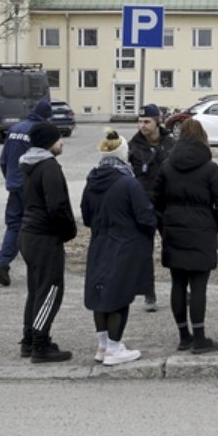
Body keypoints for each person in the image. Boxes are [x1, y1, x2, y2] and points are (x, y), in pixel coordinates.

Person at [154, 119, 218, 354]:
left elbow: (156, 204)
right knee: (199, 285)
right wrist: (214, 226)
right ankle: (200, 338)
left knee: (178, 284)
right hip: (202, 232)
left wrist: (164, 229)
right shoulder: (210, 168)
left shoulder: (166, 167)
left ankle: (183, 336)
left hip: (174, 232)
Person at [81, 128, 155, 365]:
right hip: (124, 245)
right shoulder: (128, 183)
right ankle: (114, 349)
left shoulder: (92, 180)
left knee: (101, 293)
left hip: (99, 242)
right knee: (120, 296)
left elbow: (86, 216)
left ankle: (103, 346)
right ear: (124, 154)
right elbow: (146, 217)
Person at [18, 122, 77, 363]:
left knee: (36, 291)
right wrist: (68, 231)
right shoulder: (49, 166)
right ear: (48, 143)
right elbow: (57, 206)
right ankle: (40, 345)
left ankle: (29, 340)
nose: (61, 142)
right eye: (58, 139)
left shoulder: (29, 165)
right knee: (51, 290)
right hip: (44, 237)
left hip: (28, 234)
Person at [0, 99, 52, 286]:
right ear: (47, 117)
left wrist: (11, 179)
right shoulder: (40, 132)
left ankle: (3, 260)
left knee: (14, 225)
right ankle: (39, 267)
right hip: (32, 187)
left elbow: (3, 160)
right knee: (37, 226)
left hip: (15, 186)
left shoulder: (15, 129)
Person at [129, 103, 175, 312]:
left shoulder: (171, 143)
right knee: (144, 251)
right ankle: (149, 294)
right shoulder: (133, 145)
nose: (143, 126)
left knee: (173, 248)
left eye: (147, 121)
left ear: (158, 121)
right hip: (144, 205)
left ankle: (181, 289)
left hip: (167, 205)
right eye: (140, 122)